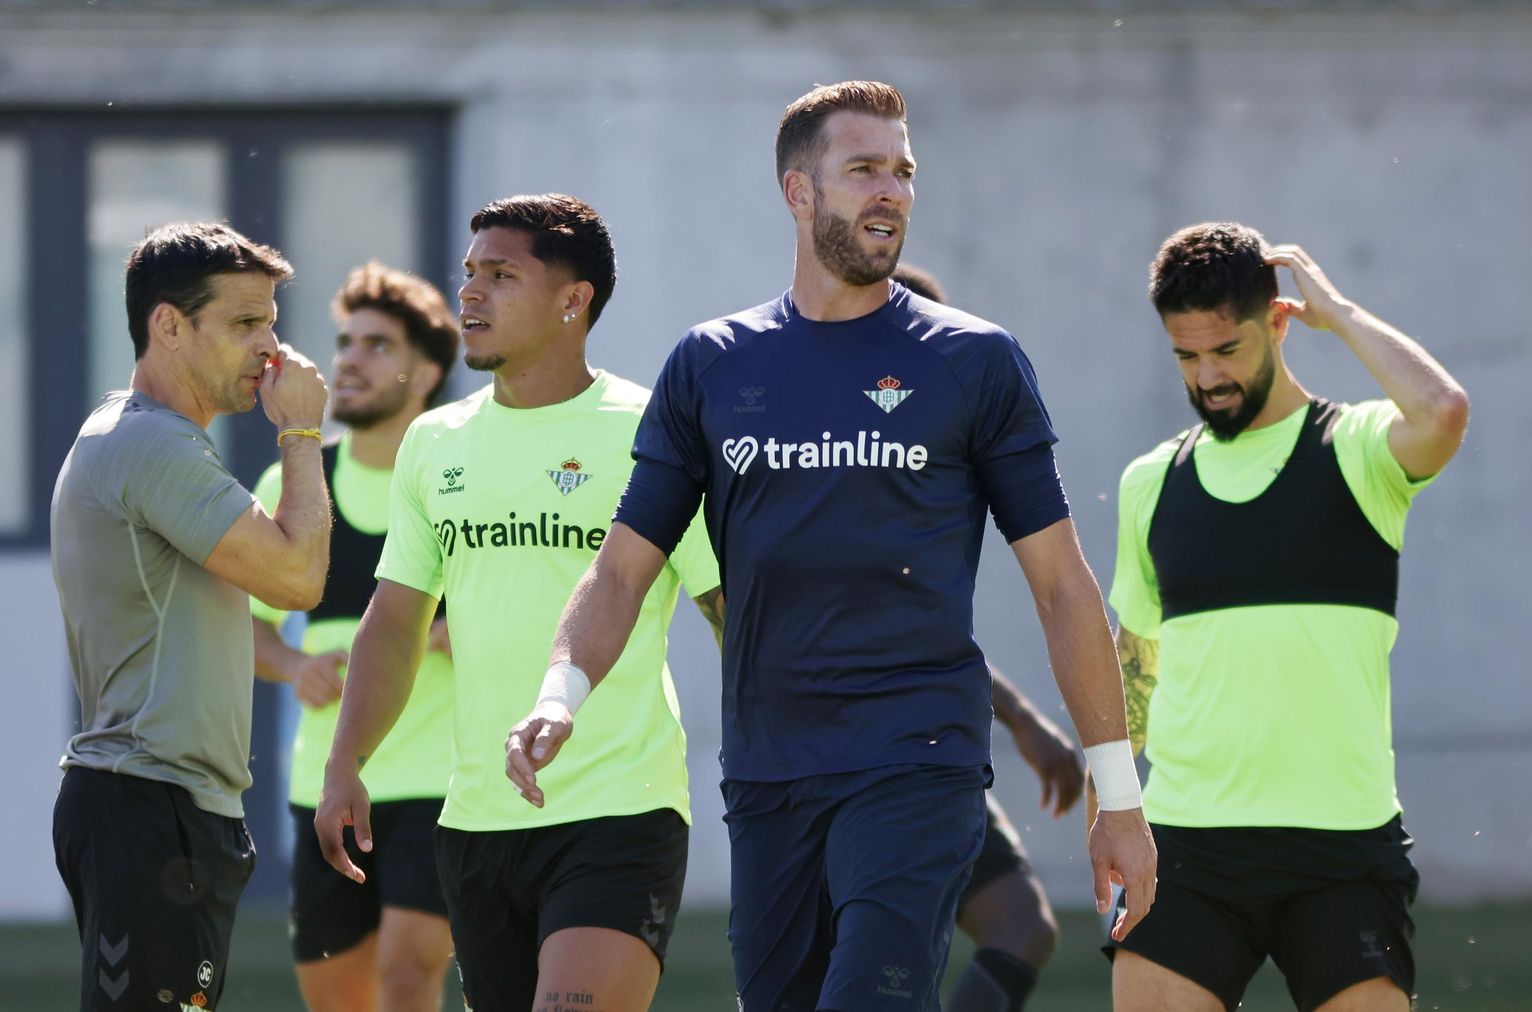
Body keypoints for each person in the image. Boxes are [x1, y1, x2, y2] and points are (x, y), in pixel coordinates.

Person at [508, 81, 1155, 1012]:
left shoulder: (975, 361)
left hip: (918, 757)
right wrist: (558, 695)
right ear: (798, 193)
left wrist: (1117, 794)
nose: (890, 190)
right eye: (863, 170)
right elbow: (621, 568)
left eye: (902, 171)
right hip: (768, 771)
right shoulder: (712, 364)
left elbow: (1062, 585)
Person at [314, 195, 725, 1012]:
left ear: (574, 300)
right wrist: (344, 760)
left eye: (501, 276)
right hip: (474, 827)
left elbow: (729, 612)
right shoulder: (435, 443)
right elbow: (394, 619)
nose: (470, 294)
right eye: (469, 274)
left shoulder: (655, 430)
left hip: (621, 810)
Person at [1101, 222, 1469, 1011]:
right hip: (1187, 848)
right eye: (1187, 357)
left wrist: (1339, 315)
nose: (1208, 377)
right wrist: (1111, 805)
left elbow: (1442, 410)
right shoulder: (1150, 481)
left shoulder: (1360, 449)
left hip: (1341, 848)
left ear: (1276, 322)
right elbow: (1135, 666)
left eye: (1226, 350)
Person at [50, 221, 330, 1011]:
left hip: (162, 809)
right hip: (147, 808)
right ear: (168, 326)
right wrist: (303, 433)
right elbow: (298, 577)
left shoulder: (149, 438)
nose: (272, 352)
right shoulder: (153, 445)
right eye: (245, 325)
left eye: (273, 324)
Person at [251, 261, 460, 1011]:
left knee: (408, 977)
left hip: (442, 785)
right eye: (345, 342)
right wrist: (292, 664)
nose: (348, 359)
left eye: (377, 345)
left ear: (428, 370)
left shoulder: (457, 476)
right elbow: (243, 622)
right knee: (338, 1000)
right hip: (326, 789)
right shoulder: (297, 481)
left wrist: (457, 627)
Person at [893, 264, 1080, 1012]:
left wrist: (1023, 719)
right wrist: (1027, 721)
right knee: (885, 964)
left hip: (936, 744)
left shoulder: (938, 451)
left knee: (1021, 926)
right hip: (858, 758)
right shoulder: (843, 465)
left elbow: (927, 626)